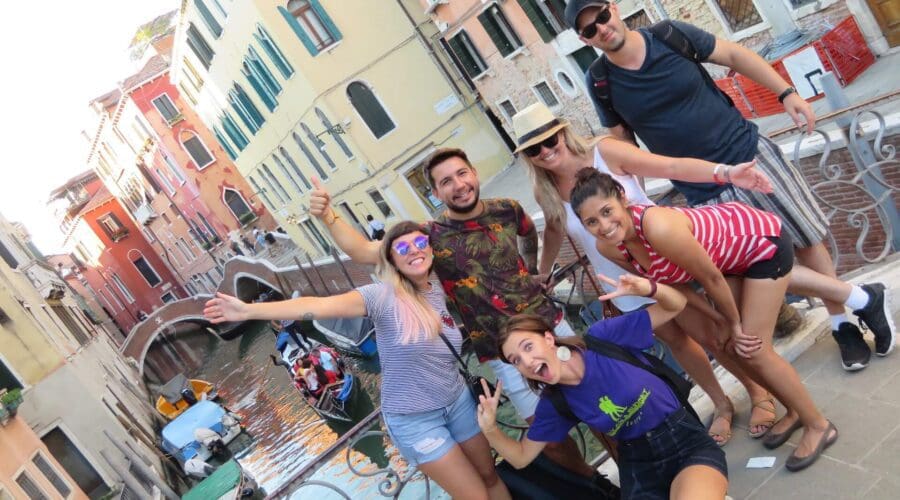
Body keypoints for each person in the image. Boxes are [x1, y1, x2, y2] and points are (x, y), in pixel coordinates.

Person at [565, 0, 895, 370]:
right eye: (590, 29)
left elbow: (735, 56)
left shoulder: (669, 34)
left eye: (603, 17)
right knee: (758, 264)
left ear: (614, 8)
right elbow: (624, 145)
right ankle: (862, 298)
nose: (602, 29)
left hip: (748, 153)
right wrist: (631, 203)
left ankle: (842, 323)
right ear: (584, 39)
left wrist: (787, 94)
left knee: (805, 239)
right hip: (702, 187)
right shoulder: (600, 81)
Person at [308, 151, 597, 479]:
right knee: (551, 441)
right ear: (435, 193)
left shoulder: (507, 209)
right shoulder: (427, 236)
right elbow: (364, 252)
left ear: (474, 173)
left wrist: (534, 269)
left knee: (596, 403)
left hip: (549, 326)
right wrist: (329, 216)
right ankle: (594, 482)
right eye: (446, 181)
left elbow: (528, 233)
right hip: (504, 352)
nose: (459, 185)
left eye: (462, 174)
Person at [514, 101, 778, 444]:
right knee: (678, 343)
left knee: (710, 332)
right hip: (621, 281)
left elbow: (669, 165)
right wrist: (543, 271)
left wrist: (724, 172)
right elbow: (553, 228)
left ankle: (758, 392)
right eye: (535, 149)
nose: (546, 151)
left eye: (551, 141)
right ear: (528, 157)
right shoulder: (544, 188)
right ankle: (721, 403)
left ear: (563, 133)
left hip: (658, 261)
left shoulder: (604, 152)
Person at [203, 222, 511, 499]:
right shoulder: (381, 296)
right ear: (391, 259)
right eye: (403, 248)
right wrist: (248, 311)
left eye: (421, 244)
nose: (415, 251)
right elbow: (317, 306)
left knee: (489, 476)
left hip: (458, 401)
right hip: (416, 421)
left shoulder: (438, 289)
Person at [570, 169, 838, 471]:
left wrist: (733, 323)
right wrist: (719, 320)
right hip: (730, 263)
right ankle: (794, 409)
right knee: (731, 345)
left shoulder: (658, 227)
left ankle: (818, 424)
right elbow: (676, 285)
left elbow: (709, 277)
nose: (604, 226)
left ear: (622, 199)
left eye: (607, 212)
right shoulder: (610, 245)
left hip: (761, 245)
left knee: (753, 347)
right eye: (592, 221)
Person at [479, 273, 728, 499]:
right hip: (639, 464)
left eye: (528, 347)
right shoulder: (556, 402)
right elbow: (522, 457)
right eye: (516, 361)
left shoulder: (602, 339)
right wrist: (490, 429)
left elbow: (676, 305)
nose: (527, 362)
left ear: (548, 338)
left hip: (685, 442)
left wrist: (651, 288)